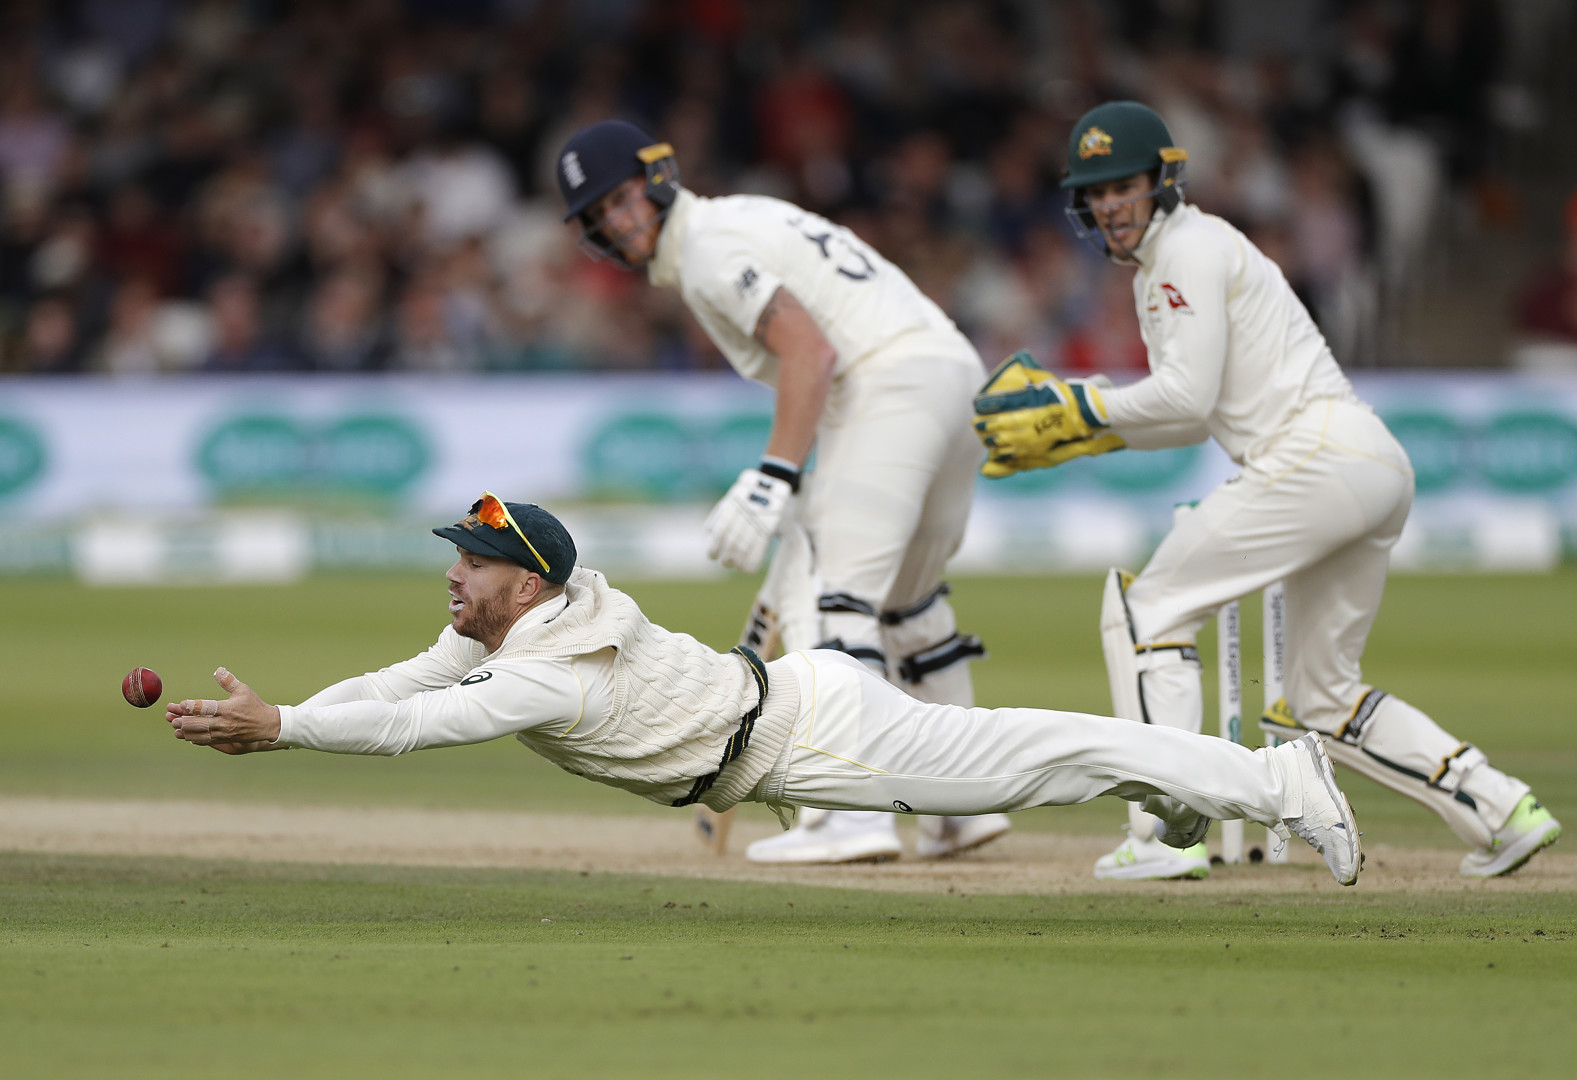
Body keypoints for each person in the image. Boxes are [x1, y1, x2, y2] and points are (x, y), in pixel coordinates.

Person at [163, 494, 1365, 888]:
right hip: (797, 707)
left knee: (1053, 758)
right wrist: (287, 721)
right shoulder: (541, 618)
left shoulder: (543, 675)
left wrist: (289, 733)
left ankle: (1272, 776)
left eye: (466, 565)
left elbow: (424, 724)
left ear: (522, 588)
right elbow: (400, 681)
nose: (448, 579)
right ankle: (1233, 783)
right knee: (1053, 758)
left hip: (809, 740)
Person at [973, 101, 1561, 881]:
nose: (1109, 204)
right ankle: (1500, 809)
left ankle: (1161, 833)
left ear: (1161, 181)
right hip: (1365, 462)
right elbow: (1189, 417)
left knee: (1147, 610)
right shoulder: (1182, 256)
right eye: (1095, 191)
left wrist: (1079, 406)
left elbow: (1182, 400)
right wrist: (1086, 430)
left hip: (1310, 458)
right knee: (1321, 696)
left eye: (1124, 185)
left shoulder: (1182, 252)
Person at [552, 119, 1008, 863]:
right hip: (952, 378)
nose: (618, 221)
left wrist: (774, 476)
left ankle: (855, 814)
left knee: (836, 599)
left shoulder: (704, 248)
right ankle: (960, 806)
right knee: (908, 605)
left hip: (890, 383)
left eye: (623, 199)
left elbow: (812, 350)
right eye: (600, 214)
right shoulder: (736, 218)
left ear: (657, 178)